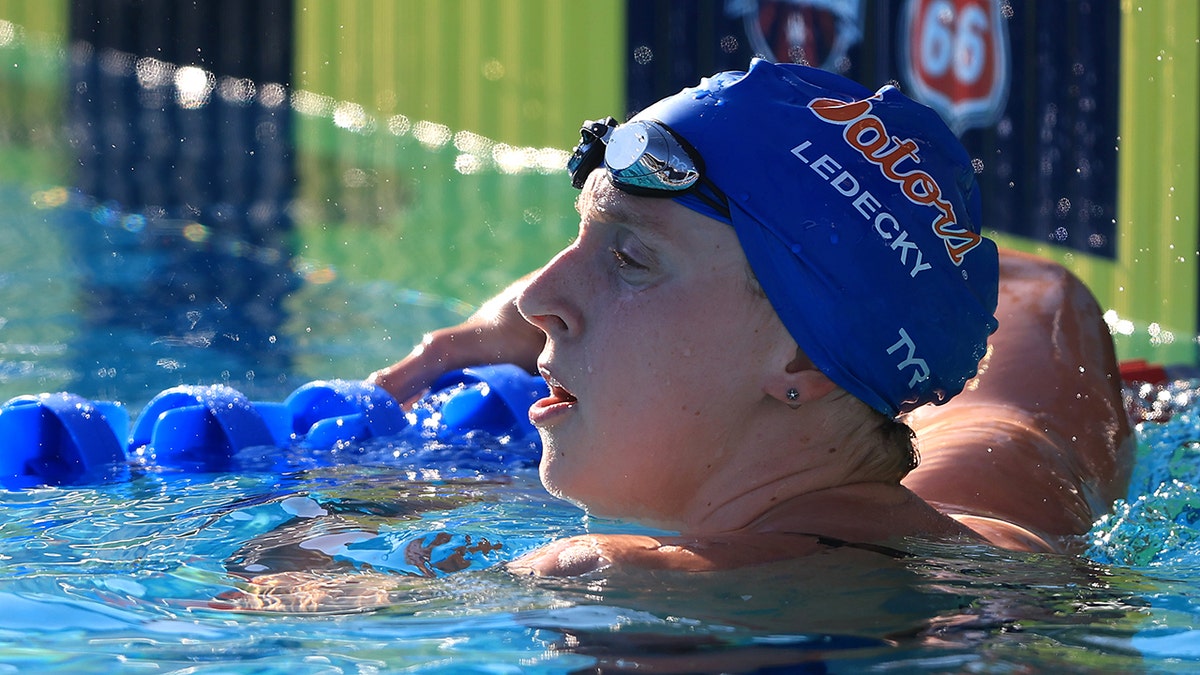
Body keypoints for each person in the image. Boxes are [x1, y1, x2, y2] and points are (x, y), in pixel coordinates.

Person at [368, 59, 1133, 577]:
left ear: (802, 362)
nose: (539, 303)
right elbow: (1033, 292)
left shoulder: (616, 584)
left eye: (630, 258)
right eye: (579, 244)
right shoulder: (1011, 506)